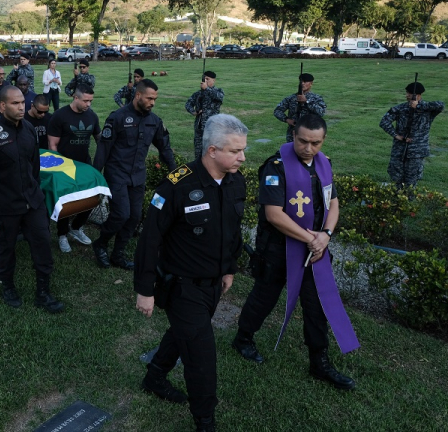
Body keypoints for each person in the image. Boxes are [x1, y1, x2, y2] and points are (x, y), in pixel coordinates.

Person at [135, 114, 248, 432]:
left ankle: (154, 376)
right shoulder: (177, 185)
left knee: (183, 334)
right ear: (212, 150)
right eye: (235, 151)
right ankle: (205, 422)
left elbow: (231, 231)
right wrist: (145, 289)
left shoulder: (235, 179)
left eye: (243, 150)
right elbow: (150, 237)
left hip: (214, 284)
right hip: (182, 287)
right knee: (202, 360)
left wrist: (229, 269)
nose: (242, 157)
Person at [232, 114, 359, 391]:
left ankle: (319, 361)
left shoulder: (324, 165)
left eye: (316, 142)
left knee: (316, 306)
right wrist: (311, 239)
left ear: (323, 140)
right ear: (293, 135)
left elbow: (333, 204)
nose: (308, 148)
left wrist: (325, 236)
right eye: (303, 141)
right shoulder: (276, 167)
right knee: (264, 298)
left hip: (314, 248)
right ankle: (243, 338)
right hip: (278, 248)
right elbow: (274, 214)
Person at [0, 86, 63, 313]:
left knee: (42, 244)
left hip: (33, 203)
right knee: (5, 249)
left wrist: (36, 194)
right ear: (2, 106)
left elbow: (35, 167)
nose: (21, 107)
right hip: (4, 206)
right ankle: (8, 286)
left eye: (22, 102)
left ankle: (43, 292)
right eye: (15, 103)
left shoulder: (29, 129)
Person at [92, 79, 176, 269]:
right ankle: (101, 243)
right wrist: (95, 177)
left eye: (155, 99)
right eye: (149, 98)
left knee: (134, 216)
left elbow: (165, 149)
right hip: (117, 174)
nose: (153, 102)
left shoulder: (154, 121)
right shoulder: (118, 118)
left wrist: (176, 174)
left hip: (137, 176)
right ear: (138, 95)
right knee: (121, 214)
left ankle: (118, 254)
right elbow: (103, 150)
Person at [48, 84, 101, 253]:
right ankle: (62, 235)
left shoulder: (92, 116)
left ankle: (77, 227)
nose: (88, 104)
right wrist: (58, 169)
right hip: (64, 165)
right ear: (75, 97)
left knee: (93, 196)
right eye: (85, 101)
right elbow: (52, 144)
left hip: (84, 164)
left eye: (91, 101)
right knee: (67, 201)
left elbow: (99, 138)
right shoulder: (59, 116)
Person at [379, 81, 444, 190]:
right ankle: (396, 203)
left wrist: (418, 106)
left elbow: (440, 105)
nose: (407, 95)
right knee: (396, 178)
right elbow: (384, 122)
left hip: (416, 152)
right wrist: (396, 136)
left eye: (409, 93)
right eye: (407, 93)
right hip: (399, 150)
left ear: (418, 95)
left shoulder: (427, 109)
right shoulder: (400, 108)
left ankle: (408, 203)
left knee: (411, 181)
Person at [273, 72, 326, 142]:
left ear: (311, 83)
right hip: (293, 134)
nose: (302, 83)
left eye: (305, 81)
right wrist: (287, 119)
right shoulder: (291, 98)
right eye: (301, 81)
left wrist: (306, 102)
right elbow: (277, 111)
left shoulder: (316, 98)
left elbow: (321, 113)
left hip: (310, 133)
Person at [184, 71, 224, 160]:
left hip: (212, 128)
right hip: (199, 127)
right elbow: (188, 104)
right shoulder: (198, 94)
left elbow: (219, 98)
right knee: (199, 153)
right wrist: (194, 112)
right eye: (204, 79)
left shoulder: (218, 91)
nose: (205, 81)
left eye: (207, 79)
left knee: (212, 152)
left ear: (213, 80)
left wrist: (207, 89)